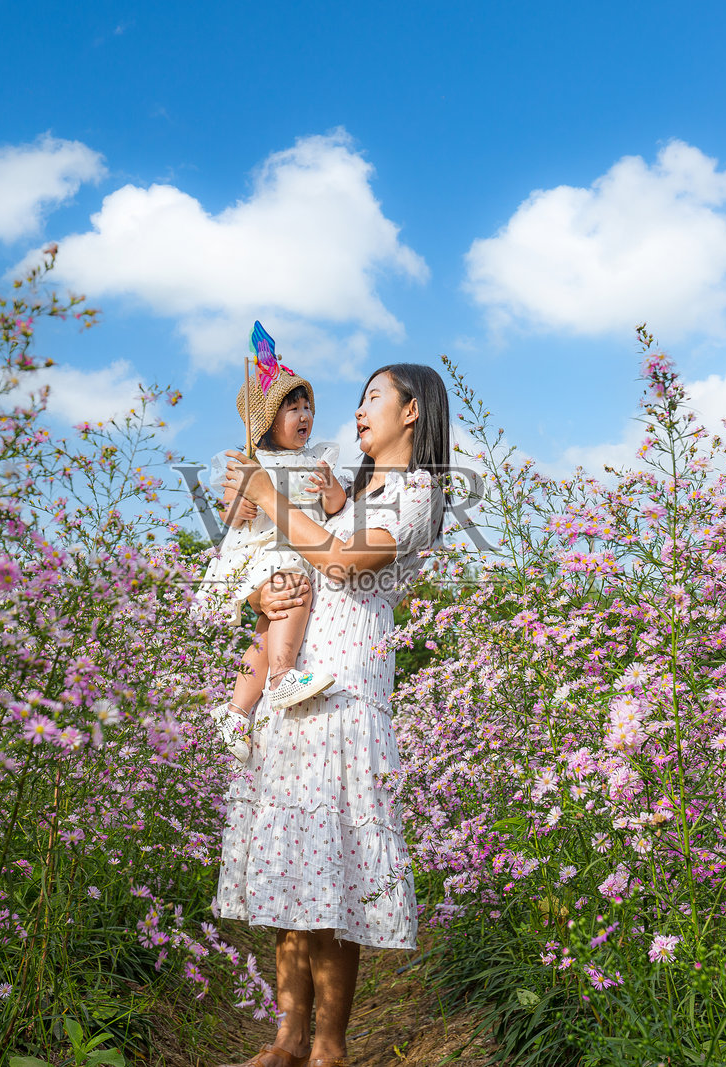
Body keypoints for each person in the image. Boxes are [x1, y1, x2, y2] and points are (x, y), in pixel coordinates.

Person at [211, 363, 451, 1067]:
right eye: (359, 398)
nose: (359, 408)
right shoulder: (341, 493)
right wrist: (259, 592)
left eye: (374, 395)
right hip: (294, 698)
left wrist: (273, 499)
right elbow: (290, 560)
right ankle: (286, 1038)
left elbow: (345, 563)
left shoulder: (419, 492)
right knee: (291, 875)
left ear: (412, 412)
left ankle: (328, 1046)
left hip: (347, 696)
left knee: (337, 881)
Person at [190, 325, 349, 760]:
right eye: (291, 409)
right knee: (292, 593)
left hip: (298, 549)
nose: (304, 416)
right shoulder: (250, 462)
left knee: (268, 626)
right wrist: (238, 504)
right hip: (266, 551)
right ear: (265, 422)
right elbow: (230, 512)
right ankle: (281, 678)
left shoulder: (319, 460)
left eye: (307, 407)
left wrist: (331, 488)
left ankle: (237, 710)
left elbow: (336, 508)